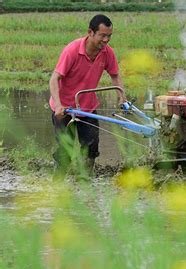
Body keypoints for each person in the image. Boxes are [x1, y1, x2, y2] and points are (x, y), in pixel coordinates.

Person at [49, 14, 126, 174]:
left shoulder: (107, 53)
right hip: (64, 108)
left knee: (91, 148)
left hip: (87, 108)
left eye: (109, 36)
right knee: (66, 151)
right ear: (90, 32)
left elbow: (115, 75)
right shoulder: (72, 50)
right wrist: (58, 105)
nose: (106, 40)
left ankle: (85, 183)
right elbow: (54, 78)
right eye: (102, 35)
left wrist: (122, 97)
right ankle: (57, 186)